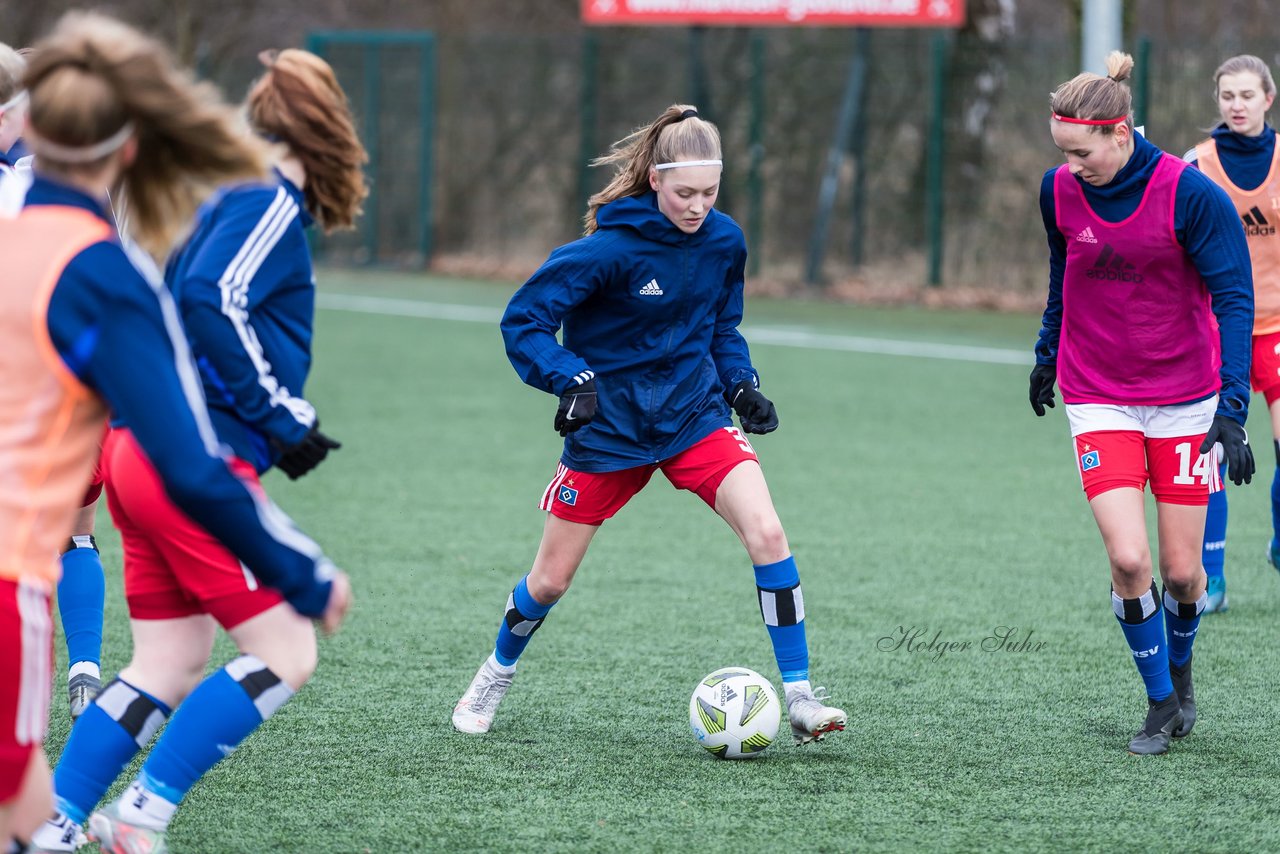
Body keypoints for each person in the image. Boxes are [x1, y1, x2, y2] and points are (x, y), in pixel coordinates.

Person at [0, 12, 352, 853]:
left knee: (163, 663)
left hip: (117, 467)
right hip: (90, 518)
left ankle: (67, 823)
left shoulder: (35, 231)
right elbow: (205, 345)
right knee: (288, 651)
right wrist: (298, 563)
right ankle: (140, 812)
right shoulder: (136, 254)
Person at [451, 104, 847, 747]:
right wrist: (569, 376)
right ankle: (496, 673)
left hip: (694, 415)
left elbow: (721, 327)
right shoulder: (604, 251)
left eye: (710, 193)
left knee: (768, 533)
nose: (697, 206)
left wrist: (741, 383)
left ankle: (801, 697)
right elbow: (523, 321)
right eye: (685, 193)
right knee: (549, 580)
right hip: (610, 431)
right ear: (655, 180)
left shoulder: (725, 241)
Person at [1029, 52, 1255, 756]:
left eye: (1082, 151)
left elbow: (1233, 300)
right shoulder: (1059, 191)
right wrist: (1045, 355)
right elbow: (1062, 275)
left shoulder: (1191, 195)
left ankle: (1181, 673)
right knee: (1130, 561)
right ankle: (1159, 701)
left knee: (1183, 574)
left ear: (1120, 133)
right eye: (1063, 153)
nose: (1071, 166)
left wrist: (1232, 408)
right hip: (1098, 395)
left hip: (1187, 399)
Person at [1184, 55, 1279, 613]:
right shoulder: (1195, 165)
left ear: (1269, 97)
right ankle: (1211, 579)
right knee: (1213, 452)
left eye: (1247, 95)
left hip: (1278, 331)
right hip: (1219, 332)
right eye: (1227, 96)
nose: (1236, 105)